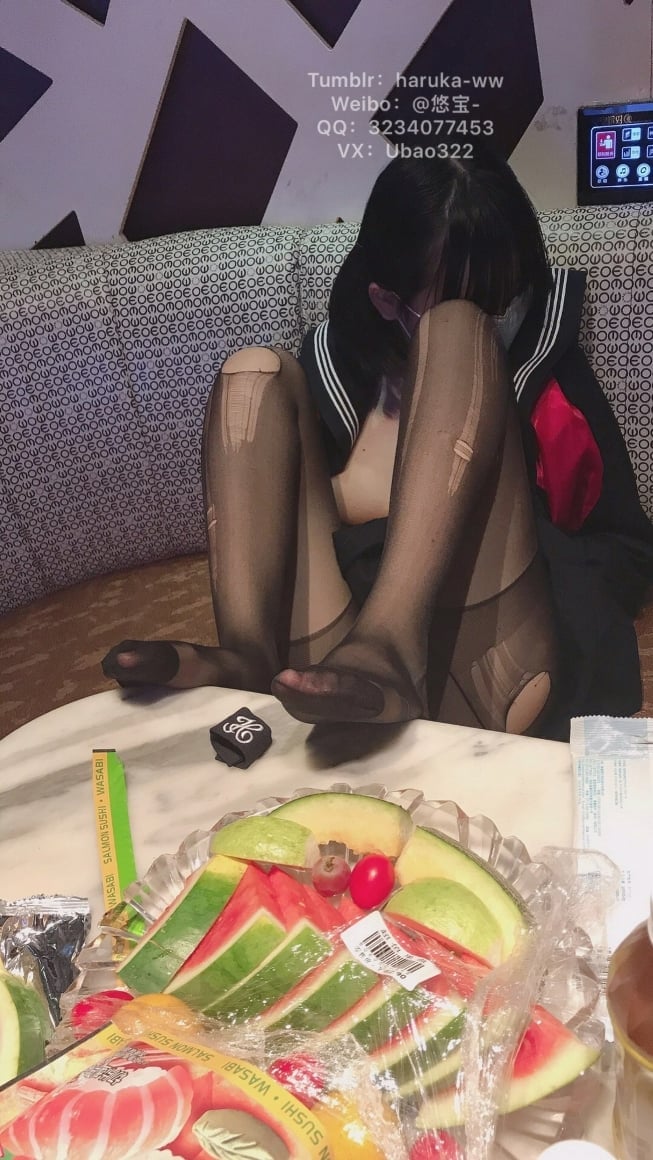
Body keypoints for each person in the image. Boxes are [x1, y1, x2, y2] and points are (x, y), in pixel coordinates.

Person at [101, 149, 653, 738]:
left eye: (508, 294)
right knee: (254, 374)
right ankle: (244, 657)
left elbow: (626, 549)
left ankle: (389, 643)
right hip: (340, 680)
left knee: (456, 334)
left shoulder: (544, 373)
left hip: (489, 667)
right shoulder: (335, 376)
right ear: (387, 300)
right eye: (472, 298)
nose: (502, 316)